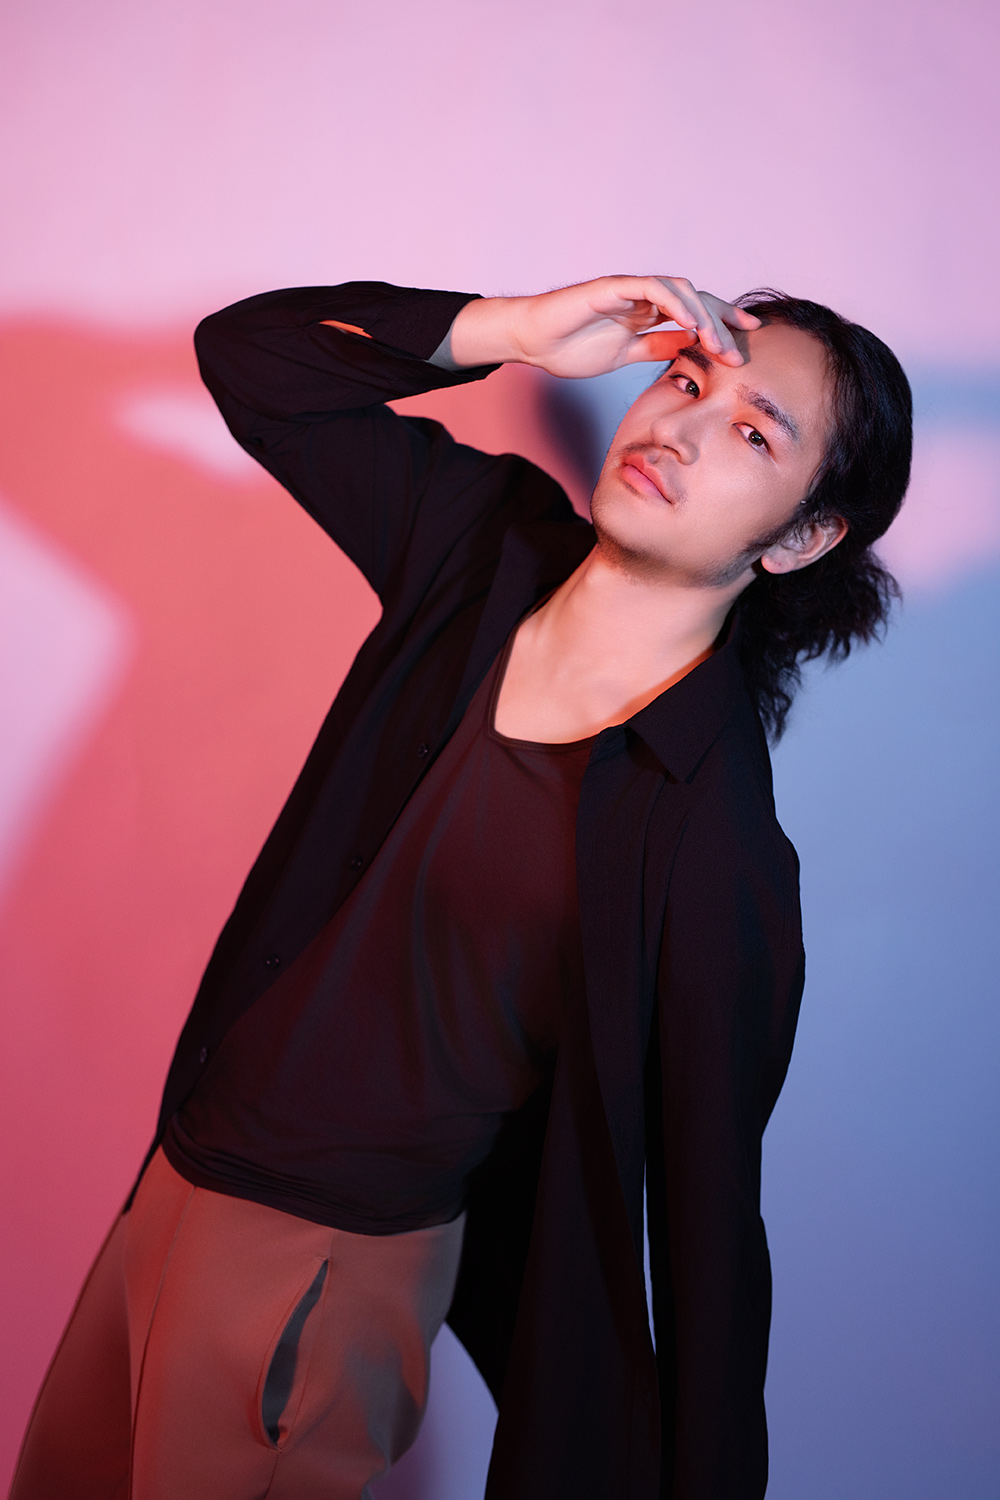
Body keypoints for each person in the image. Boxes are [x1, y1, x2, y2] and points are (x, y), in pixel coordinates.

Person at [10, 273, 912, 1500]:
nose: (680, 428)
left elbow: (709, 1226)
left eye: (754, 433)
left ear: (801, 539)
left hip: (321, 1275)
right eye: (686, 378)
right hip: (173, 1181)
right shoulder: (484, 546)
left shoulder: (711, 838)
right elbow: (254, 363)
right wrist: (512, 329)